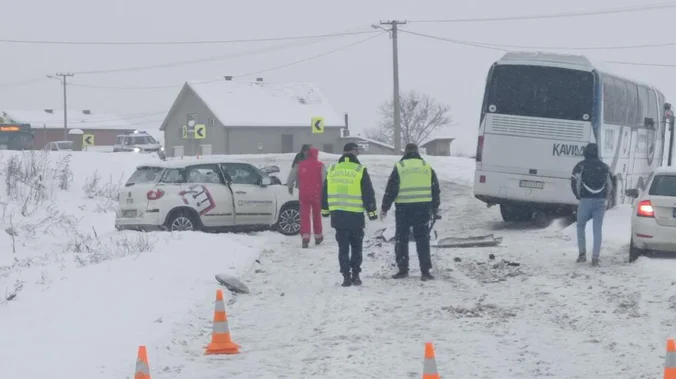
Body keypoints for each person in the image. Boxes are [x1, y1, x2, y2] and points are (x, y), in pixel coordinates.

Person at [380, 143, 441, 281]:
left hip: (404, 208)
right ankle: (425, 271)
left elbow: (391, 189)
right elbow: (435, 188)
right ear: (417, 152)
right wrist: (435, 207)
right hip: (423, 208)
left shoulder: (400, 167)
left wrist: (385, 207)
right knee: (423, 239)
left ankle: (403, 270)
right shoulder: (426, 166)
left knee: (402, 239)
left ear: (405, 152)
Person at [321, 142, 378, 287]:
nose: (358, 154)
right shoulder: (360, 170)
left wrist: (325, 210)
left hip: (338, 216)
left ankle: (346, 276)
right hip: (355, 216)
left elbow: (325, 191)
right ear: (353, 152)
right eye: (357, 151)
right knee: (356, 246)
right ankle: (356, 275)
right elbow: (368, 192)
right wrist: (371, 211)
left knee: (343, 247)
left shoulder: (333, 169)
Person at [570, 143, 613, 266]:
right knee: (597, 229)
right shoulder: (605, 167)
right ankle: (595, 257)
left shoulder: (580, 166)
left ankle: (582, 254)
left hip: (585, 200)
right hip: (600, 201)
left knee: (580, 226)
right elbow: (610, 185)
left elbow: (574, 182)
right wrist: (605, 197)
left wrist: (579, 195)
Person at [287, 147, 326, 247]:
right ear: (316, 155)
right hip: (317, 194)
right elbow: (324, 180)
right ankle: (318, 236)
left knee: (305, 215)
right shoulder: (320, 165)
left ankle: (305, 236)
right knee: (316, 215)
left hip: (304, 194)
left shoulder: (300, 165)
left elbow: (291, 176)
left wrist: (290, 186)